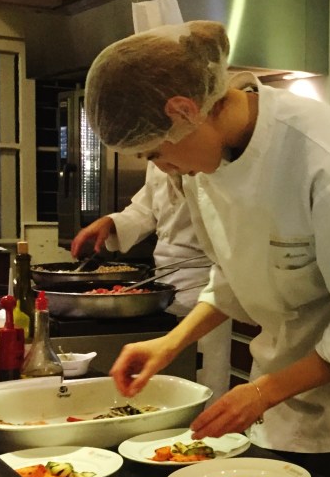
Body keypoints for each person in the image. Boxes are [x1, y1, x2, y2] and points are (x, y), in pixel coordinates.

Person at [83, 20, 330, 477]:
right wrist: (170, 344)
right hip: (274, 396)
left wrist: (262, 392)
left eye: (155, 154)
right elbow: (233, 273)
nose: (162, 169)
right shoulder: (206, 161)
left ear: (184, 110)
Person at [70, 162, 232, 401]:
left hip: (208, 283)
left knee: (205, 378)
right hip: (164, 283)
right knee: (168, 378)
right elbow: (146, 207)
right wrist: (113, 222)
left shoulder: (208, 162)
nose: (155, 160)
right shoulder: (158, 158)